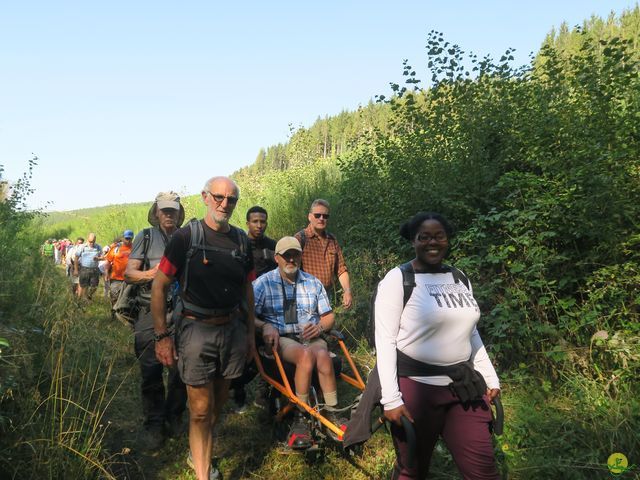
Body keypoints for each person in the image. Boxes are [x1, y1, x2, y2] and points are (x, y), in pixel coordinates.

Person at [375, 212, 501, 480]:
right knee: (413, 470)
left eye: (439, 236)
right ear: (413, 241)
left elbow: (471, 332)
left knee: (484, 470)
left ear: (447, 239)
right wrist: (391, 399)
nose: (433, 242)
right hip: (416, 389)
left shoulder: (458, 277)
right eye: (425, 237)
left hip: (464, 387)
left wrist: (489, 376)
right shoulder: (398, 279)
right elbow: (384, 340)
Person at [152, 177, 256, 480]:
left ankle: (196, 450)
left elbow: (247, 291)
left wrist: (250, 334)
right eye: (219, 197)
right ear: (205, 197)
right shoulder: (185, 237)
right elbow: (159, 288)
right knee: (199, 410)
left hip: (232, 331)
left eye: (231, 199)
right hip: (196, 333)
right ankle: (202, 472)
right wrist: (162, 338)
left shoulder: (241, 241)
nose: (225, 204)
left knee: (215, 408)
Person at [253, 236, 340, 449]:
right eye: (286, 255)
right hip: (283, 337)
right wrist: (265, 326)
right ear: (277, 258)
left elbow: (329, 316)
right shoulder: (263, 283)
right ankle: (301, 416)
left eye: (295, 255)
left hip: (311, 335)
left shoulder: (312, 282)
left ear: (301, 256)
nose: (291, 259)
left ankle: (333, 413)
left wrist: (319, 327)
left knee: (322, 354)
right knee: (305, 355)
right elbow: (248, 315)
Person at [124, 193, 187, 450]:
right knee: (150, 370)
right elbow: (129, 273)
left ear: (178, 212)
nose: (169, 214)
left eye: (173, 210)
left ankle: (174, 416)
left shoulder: (186, 237)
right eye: (164, 210)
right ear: (157, 212)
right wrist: (157, 274)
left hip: (182, 312)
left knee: (181, 368)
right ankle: (154, 423)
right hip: (149, 310)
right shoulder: (145, 236)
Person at [229, 205, 278, 412]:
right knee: (243, 354)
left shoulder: (273, 246)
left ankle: (264, 394)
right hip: (242, 308)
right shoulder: (238, 245)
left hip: (269, 309)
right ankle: (237, 391)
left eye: (263, 221)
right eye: (255, 221)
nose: (259, 225)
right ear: (248, 223)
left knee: (270, 351)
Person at [295, 199, 352, 309]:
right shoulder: (300, 239)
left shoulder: (332, 240)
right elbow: (290, 270)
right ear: (309, 217)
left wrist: (347, 291)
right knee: (308, 326)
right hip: (305, 298)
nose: (321, 218)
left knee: (326, 325)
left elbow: (341, 269)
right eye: (317, 215)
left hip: (327, 296)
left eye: (325, 216)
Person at [105, 230, 134, 314]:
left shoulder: (135, 248)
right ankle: (114, 314)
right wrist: (106, 272)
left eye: (130, 239)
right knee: (114, 296)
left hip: (130, 279)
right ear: (122, 238)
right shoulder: (116, 249)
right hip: (116, 278)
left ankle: (124, 315)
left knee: (127, 297)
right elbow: (108, 261)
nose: (128, 240)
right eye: (126, 238)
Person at [74, 233, 102, 299]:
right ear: (87, 239)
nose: (92, 243)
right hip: (84, 269)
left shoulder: (98, 247)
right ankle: (81, 300)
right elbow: (76, 258)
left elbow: (103, 257)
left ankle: (88, 296)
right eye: (90, 241)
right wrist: (75, 270)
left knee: (94, 286)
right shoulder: (82, 247)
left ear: (95, 240)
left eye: (93, 241)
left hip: (94, 269)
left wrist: (99, 258)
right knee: (83, 285)